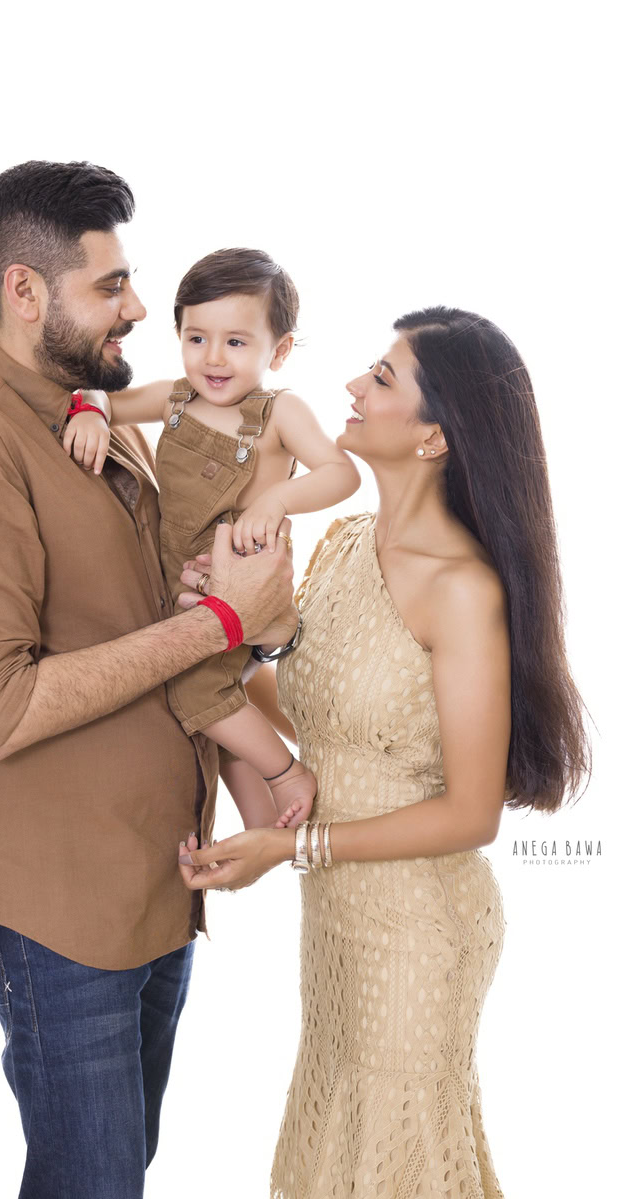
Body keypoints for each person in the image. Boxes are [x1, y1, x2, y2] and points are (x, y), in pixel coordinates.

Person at [0, 159, 298, 1199]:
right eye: (108, 285)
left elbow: (160, 631)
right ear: (27, 292)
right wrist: (216, 619)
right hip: (62, 917)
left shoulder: (103, 424)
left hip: (156, 892)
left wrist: (235, 628)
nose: (136, 307)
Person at [177, 306, 591, 1197]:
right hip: (336, 926)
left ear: (436, 436)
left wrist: (291, 845)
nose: (352, 389)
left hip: (418, 936)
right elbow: (306, 710)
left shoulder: (463, 588)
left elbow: (470, 813)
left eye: (382, 379)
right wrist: (217, 626)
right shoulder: (346, 539)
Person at [61, 247, 360, 829]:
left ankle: (286, 773)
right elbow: (105, 398)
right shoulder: (175, 400)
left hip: (239, 585)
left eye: (236, 342)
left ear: (281, 349)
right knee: (212, 709)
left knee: (197, 695)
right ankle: (258, 821)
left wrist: (276, 499)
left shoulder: (279, 413)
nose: (213, 358)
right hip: (181, 584)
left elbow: (343, 474)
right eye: (196, 338)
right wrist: (91, 412)